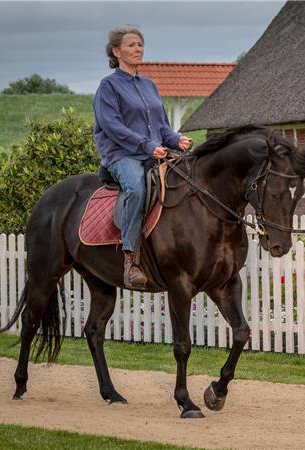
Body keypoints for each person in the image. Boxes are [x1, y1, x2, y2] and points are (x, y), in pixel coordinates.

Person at [93, 25, 192, 288]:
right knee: (136, 188)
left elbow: (161, 127)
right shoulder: (108, 86)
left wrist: (176, 139)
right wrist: (147, 145)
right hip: (122, 155)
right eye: (131, 45)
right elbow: (113, 127)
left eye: (140, 44)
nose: (138, 49)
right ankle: (131, 260)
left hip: (151, 152)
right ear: (117, 51)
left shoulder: (149, 85)